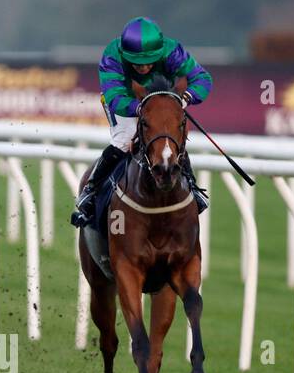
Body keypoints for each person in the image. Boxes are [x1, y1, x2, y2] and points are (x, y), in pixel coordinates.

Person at [70, 16, 213, 227]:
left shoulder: (172, 51)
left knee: (169, 138)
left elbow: (202, 79)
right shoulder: (113, 56)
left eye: (149, 62)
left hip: (161, 102)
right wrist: (142, 109)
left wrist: (185, 98)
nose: (144, 67)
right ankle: (91, 191)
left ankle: (191, 186)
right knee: (124, 139)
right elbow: (115, 97)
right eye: (137, 63)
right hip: (126, 102)